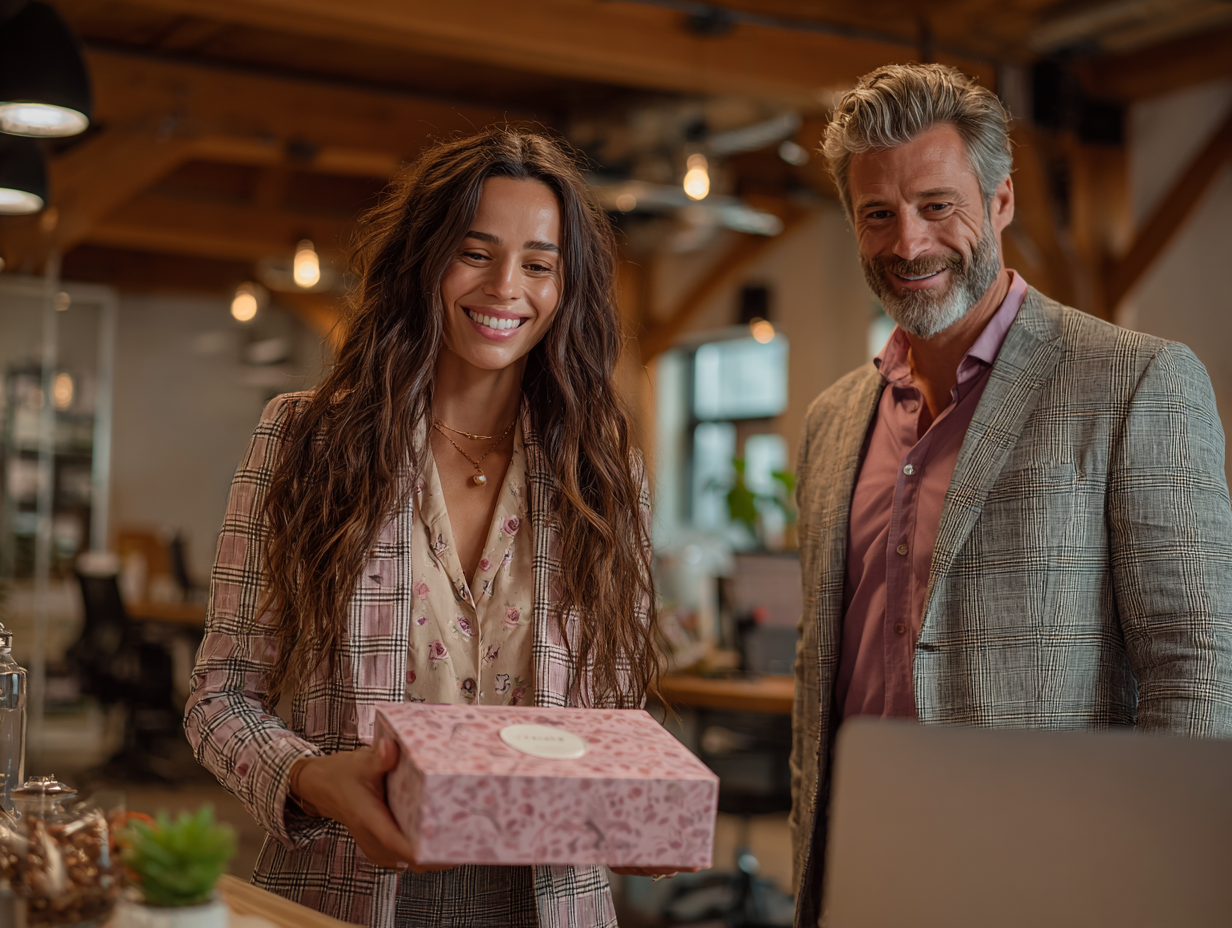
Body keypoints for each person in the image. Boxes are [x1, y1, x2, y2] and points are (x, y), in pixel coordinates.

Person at [185, 127, 666, 928]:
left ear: (566, 287)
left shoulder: (604, 472)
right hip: (343, 892)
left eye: (540, 264)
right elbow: (221, 697)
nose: (507, 287)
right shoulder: (305, 440)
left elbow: (610, 715)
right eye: (475, 253)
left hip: (551, 904)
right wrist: (312, 777)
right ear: (423, 261)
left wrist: (634, 801)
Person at [790, 63, 1232, 925]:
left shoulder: (1137, 380)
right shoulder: (832, 419)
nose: (908, 243)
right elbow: (821, 668)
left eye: (936, 205)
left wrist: (1157, 882)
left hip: (1054, 874)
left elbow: (1198, 666)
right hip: (859, 869)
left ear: (1000, 203)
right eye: (877, 213)